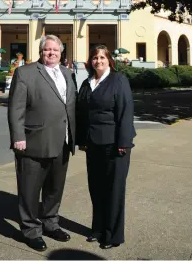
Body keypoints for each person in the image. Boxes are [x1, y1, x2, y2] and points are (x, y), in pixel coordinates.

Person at [8, 35, 76, 252]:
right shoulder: (25, 72)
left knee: (54, 189)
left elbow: (70, 107)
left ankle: (50, 223)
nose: (51, 53)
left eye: (55, 50)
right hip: (33, 142)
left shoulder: (67, 73)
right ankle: (30, 230)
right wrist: (18, 136)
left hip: (62, 142)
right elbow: (16, 108)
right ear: (41, 51)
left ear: (61, 52)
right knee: (29, 190)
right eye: (47, 50)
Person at [76, 44, 136, 249]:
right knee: (96, 188)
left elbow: (125, 112)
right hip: (93, 144)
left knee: (114, 190)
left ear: (109, 60)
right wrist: (81, 139)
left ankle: (113, 235)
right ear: (90, 61)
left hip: (114, 145)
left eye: (102, 57)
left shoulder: (119, 80)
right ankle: (98, 229)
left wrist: (124, 142)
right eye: (94, 57)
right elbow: (81, 113)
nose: (98, 61)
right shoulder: (87, 83)